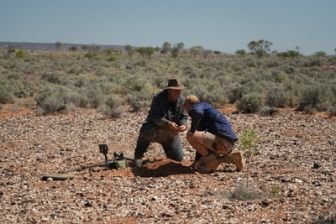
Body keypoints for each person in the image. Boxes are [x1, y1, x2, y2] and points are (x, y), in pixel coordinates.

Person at [134, 79, 188, 167]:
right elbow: (154, 116)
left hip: (170, 133)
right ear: (169, 90)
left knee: (178, 159)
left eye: (179, 91)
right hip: (155, 129)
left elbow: (184, 116)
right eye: (176, 91)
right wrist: (167, 123)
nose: (178, 93)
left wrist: (183, 125)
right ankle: (138, 157)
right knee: (146, 130)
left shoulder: (181, 100)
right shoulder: (158, 98)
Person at [183, 95, 243, 173]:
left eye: (185, 107)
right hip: (227, 144)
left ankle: (212, 162)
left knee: (190, 135)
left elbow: (197, 112)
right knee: (201, 164)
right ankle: (233, 157)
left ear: (188, 105)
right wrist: (196, 161)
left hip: (222, 143)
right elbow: (200, 142)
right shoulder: (205, 107)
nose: (185, 110)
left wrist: (192, 130)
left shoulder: (196, 109)